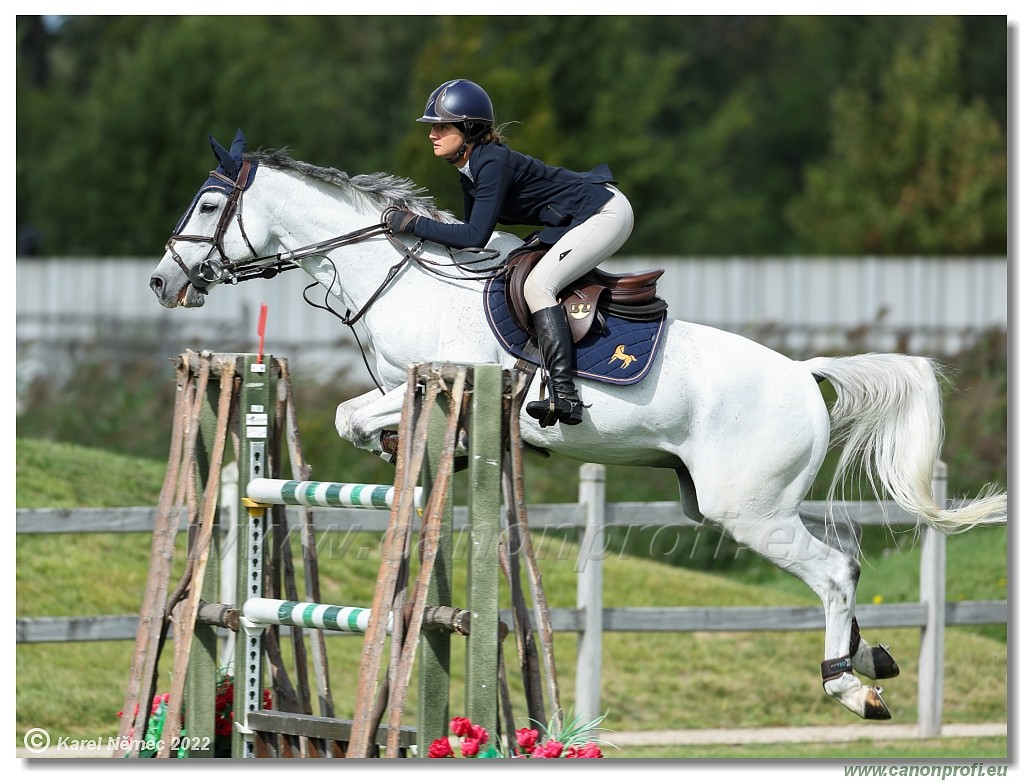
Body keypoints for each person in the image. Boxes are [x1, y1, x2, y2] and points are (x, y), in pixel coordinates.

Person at [387, 78, 634, 427]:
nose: (432, 134)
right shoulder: (470, 172)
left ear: (469, 129)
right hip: (585, 216)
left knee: (538, 287)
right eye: (432, 127)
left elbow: (473, 236)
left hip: (605, 212)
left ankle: (566, 397)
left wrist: (412, 223)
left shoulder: (491, 164)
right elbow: (474, 236)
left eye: (441, 126)